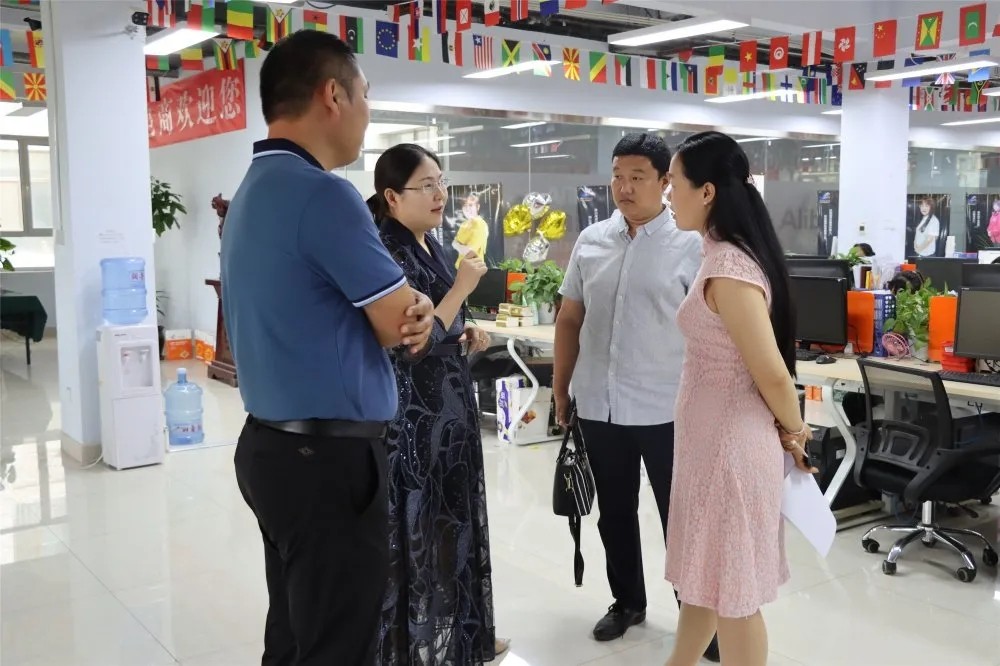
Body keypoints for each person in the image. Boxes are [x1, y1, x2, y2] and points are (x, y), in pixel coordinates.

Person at [221, 32, 436, 665]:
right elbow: (399, 323)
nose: (368, 111)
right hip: (327, 460)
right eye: (365, 94)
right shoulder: (325, 193)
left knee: (294, 632)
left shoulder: (254, 189)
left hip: (271, 448)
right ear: (333, 95)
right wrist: (417, 308)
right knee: (339, 642)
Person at [553, 133, 720, 661]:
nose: (624, 187)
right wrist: (561, 387)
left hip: (670, 408)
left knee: (682, 519)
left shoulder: (694, 244)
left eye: (637, 177)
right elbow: (570, 317)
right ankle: (627, 601)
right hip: (600, 404)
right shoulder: (592, 240)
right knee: (615, 512)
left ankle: (699, 621)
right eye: (618, 177)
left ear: (665, 182)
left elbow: (715, 333)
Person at [662, 130, 816, 666]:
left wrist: (795, 431)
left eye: (673, 182)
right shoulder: (719, 254)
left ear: (706, 191)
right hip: (710, 448)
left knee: (734, 596)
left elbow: (772, 373)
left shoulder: (729, 268)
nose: (667, 194)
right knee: (705, 582)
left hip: (730, 452)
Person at [367, 144, 505, 665]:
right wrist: (463, 289)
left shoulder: (433, 245)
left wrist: (466, 329)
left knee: (454, 520)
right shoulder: (387, 252)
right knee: (423, 525)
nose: (439, 194)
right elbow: (411, 341)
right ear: (392, 197)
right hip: (416, 414)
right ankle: (421, 646)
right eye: (426, 185)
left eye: (441, 182)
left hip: (450, 405)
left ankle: (462, 637)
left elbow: (443, 324)